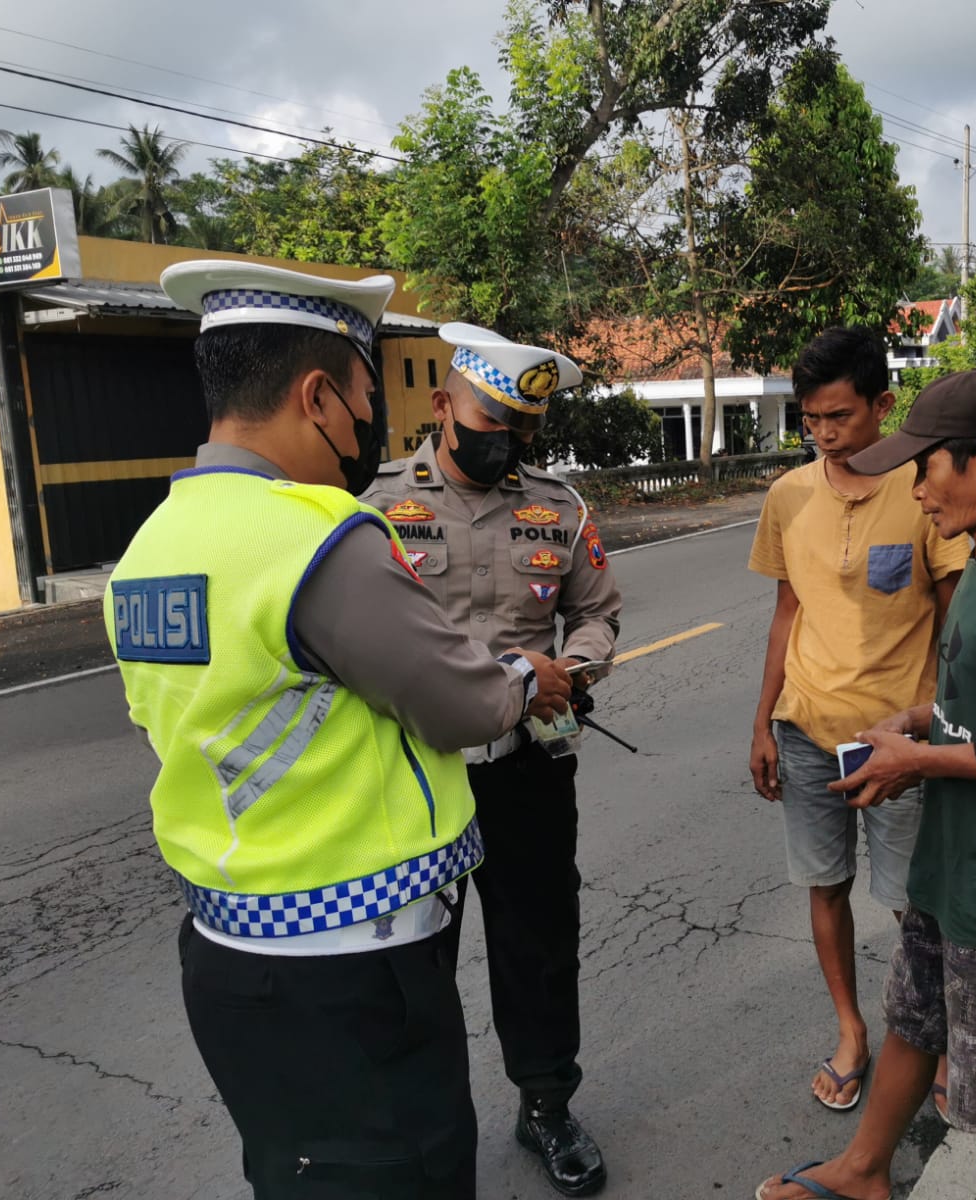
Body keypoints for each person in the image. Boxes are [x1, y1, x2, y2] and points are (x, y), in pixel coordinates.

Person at [104, 261, 573, 1199]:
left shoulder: (152, 544)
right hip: (352, 964)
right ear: (316, 397)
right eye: (363, 402)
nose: (367, 427)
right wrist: (527, 676)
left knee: (298, 1174)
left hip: (228, 949)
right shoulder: (317, 536)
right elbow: (464, 704)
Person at [754, 369, 976, 1200]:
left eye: (927, 469)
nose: (915, 491)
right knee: (913, 1020)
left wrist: (914, 762)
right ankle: (863, 1170)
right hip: (950, 871)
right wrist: (919, 723)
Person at [362, 322, 621, 1198]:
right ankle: (425, 1123)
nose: (502, 439)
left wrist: (574, 671)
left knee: (539, 947)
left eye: (519, 427)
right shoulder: (373, 508)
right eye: (489, 418)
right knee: (412, 959)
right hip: (415, 775)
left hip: (527, 770)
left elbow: (596, 613)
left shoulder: (558, 505)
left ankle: (546, 1104)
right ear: (442, 405)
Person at [748, 326, 971, 1115]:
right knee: (824, 885)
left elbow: (953, 618)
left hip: (899, 742)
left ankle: (936, 1039)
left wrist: (941, 732)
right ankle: (851, 1031)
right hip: (807, 728)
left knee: (919, 902)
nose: (825, 434)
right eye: (810, 420)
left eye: (838, 415)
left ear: (883, 404)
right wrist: (762, 722)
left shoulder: (923, 488)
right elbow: (785, 612)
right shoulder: (788, 496)